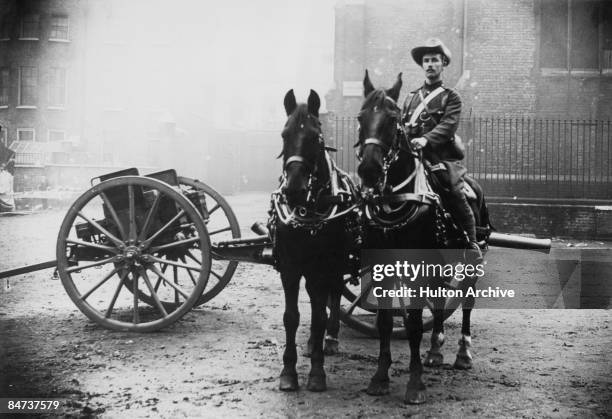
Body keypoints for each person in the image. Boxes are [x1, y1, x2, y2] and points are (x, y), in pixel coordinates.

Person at [402, 38, 482, 261]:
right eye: (426, 61)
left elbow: (448, 126)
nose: (430, 64)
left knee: (455, 191)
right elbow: (401, 127)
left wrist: (426, 140)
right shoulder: (410, 98)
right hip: (413, 158)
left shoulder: (451, 97)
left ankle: (471, 242)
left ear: (443, 63)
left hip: (441, 158)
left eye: (434, 60)